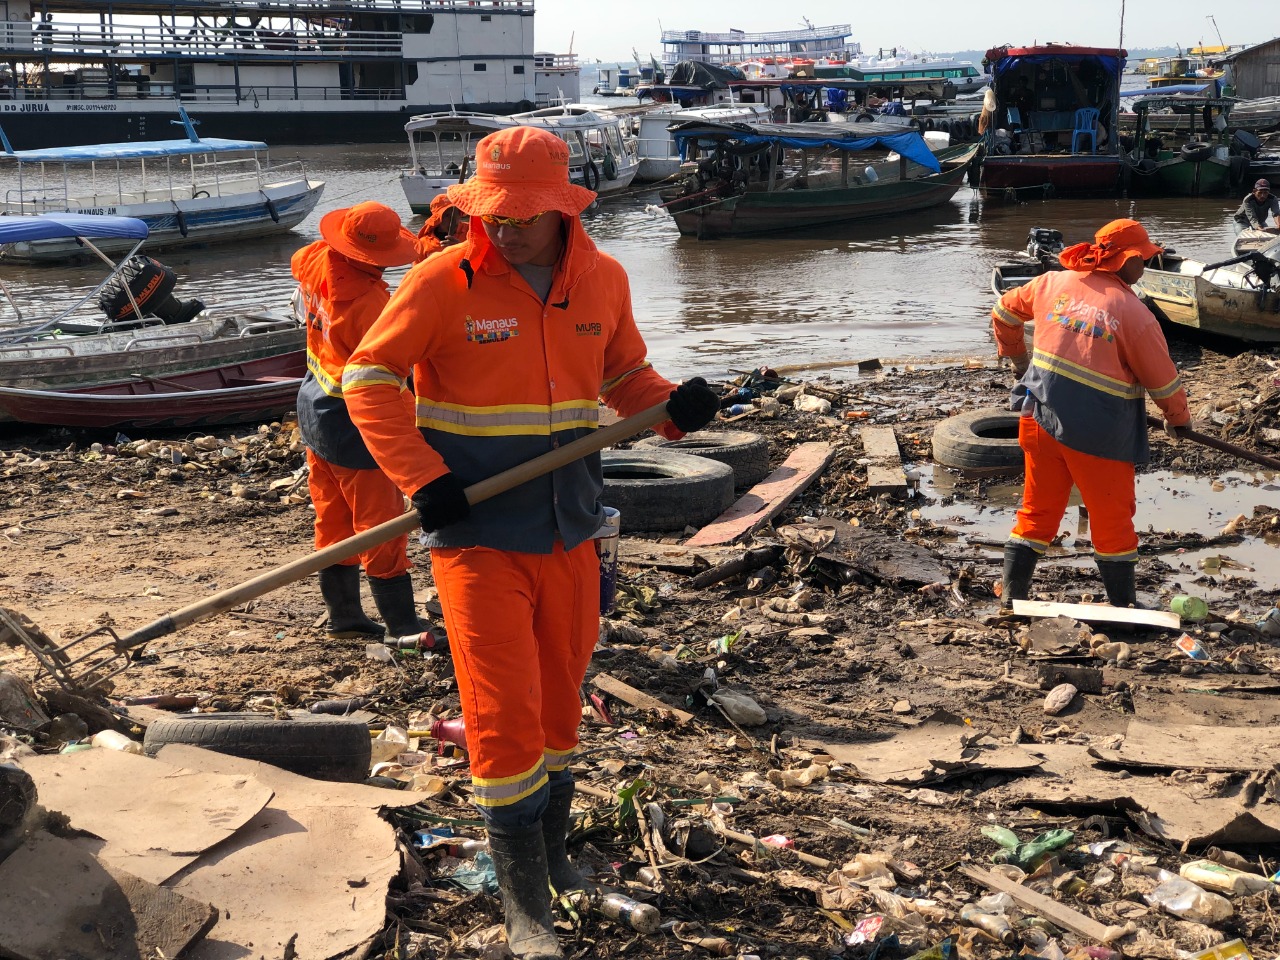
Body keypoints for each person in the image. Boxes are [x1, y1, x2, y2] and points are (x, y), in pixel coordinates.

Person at [344, 126, 718, 959]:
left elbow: (625, 379)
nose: (506, 229)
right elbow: (367, 378)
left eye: (522, 215)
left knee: (559, 701)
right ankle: (525, 908)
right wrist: (420, 475)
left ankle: (555, 865)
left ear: (562, 208)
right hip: (477, 534)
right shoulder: (445, 281)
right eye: (494, 214)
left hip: (572, 529)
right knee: (502, 711)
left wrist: (673, 406)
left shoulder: (604, 280)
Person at [990, 219, 1191, 611]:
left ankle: (1013, 599)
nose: (1146, 266)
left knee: (1037, 511)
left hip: (1039, 419)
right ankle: (1123, 609)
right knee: (1112, 521)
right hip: (1098, 437)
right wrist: (1178, 420)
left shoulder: (1052, 283)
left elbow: (1003, 312)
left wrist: (1018, 360)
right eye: (1144, 259)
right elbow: (1163, 382)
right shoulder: (1133, 313)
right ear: (1127, 261)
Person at [292, 201, 426, 639]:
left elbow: (301, 261)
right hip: (356, 426)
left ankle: (344, 616)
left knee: (332, 522)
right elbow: (387, 379)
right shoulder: (371, 305)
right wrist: (414, 436)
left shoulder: (315, 259)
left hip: (315, 408)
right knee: (382, 528)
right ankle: (402, 625)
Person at [414, 193, 468, 263]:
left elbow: (483, 261)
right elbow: (417, 271)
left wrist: (460, 249)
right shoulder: (424, 244)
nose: (453, 219)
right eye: (447, 215)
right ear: (437, 219)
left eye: (456, 214)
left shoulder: (471, 232)